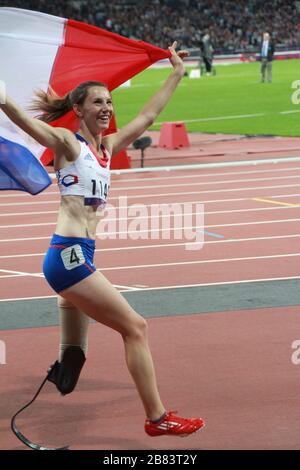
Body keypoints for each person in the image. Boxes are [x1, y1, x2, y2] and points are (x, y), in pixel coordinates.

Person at [1, 41, 205, 438]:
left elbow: (147, 115)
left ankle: (68, 360)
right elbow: (32, 126)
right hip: (67, 255)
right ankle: (157, 418)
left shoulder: (107, 148)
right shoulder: (67, 143)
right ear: (78, 110)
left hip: (79, 255)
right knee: (136, 327)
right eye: (98, 102)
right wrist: (4, 98)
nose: (107, 108)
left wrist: (176, 72)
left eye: (109, 102)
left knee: (76, 306)